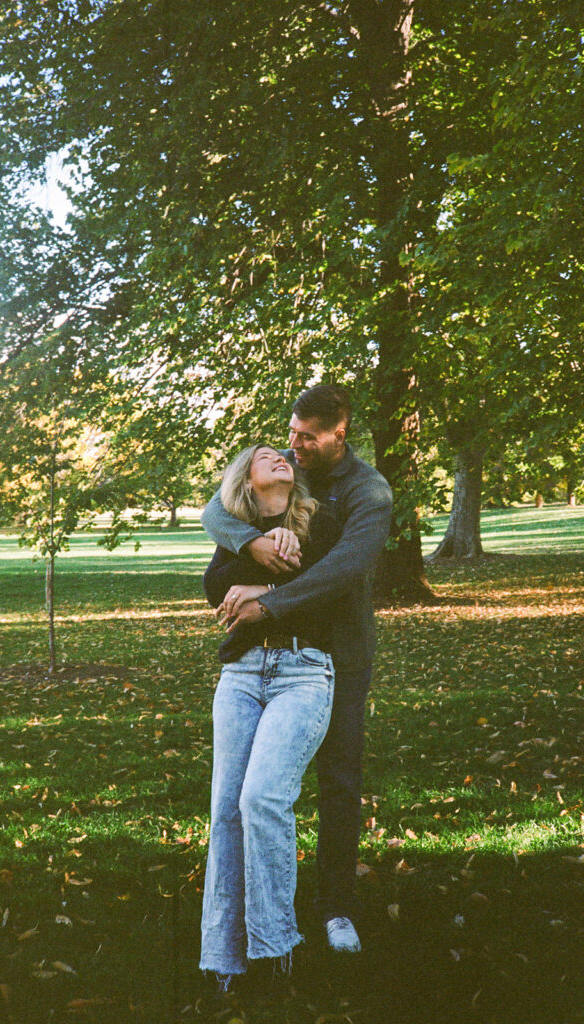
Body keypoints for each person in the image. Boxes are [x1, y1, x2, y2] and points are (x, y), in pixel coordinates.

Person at [201, 384, 392, 953]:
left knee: (338, 774)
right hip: (267, 654)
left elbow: (346, 568)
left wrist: (270, 600)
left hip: (341, 647)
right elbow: (220, 506)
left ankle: (334, 907)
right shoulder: (292, 469)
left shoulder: (368, 491)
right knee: (254, 791)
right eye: (290, 434)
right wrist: (251, 544)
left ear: (341, 432)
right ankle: (246, 919)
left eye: (307, 437)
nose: (293, 446)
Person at [200, 442, 343, 989]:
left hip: (304, 670)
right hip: (240, 676)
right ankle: (223, 957)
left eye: (284, 454)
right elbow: (216, 587)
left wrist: (269, 588)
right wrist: (257, 548)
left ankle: (276, 945)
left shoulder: (318, 521)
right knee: (226, 809)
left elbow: (332, 590)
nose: (281, 457)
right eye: (265, 456)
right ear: (247, 478)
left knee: (262, 797)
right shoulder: (235, 527)